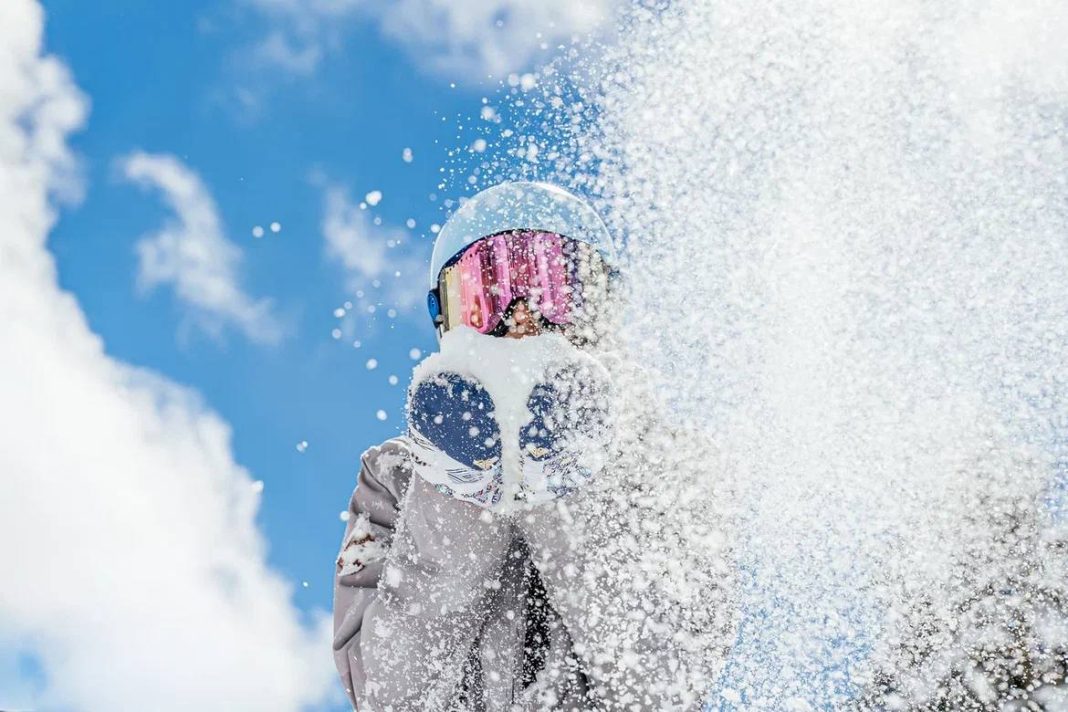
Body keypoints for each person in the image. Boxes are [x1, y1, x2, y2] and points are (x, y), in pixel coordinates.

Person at [333, 182, 736, 711]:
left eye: (552, 291)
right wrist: (464, 483)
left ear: (600, 313)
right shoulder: (399, 477)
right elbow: (388, 693)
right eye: (489, 295)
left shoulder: (669, 465)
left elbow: (666, 683)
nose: (522, 321)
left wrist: (562, 472)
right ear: (450, 322)